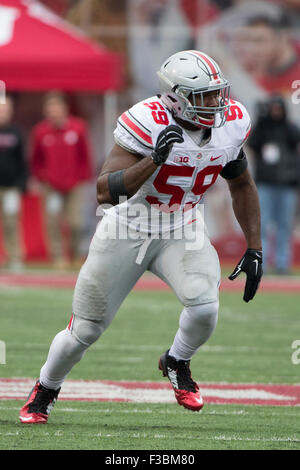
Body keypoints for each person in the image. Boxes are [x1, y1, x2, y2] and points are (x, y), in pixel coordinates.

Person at [19, 50, 263, 423]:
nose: (215, 103)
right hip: (128, 225)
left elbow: (241, 184)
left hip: (182, 225)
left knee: (205, 307)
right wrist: (154, 159)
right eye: (204, 96)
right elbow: (105, 191)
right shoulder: (147, 120)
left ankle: (176, 360)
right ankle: (46, 388)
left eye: (218, 93)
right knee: (85, 329)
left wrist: (255, 246)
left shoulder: (231, 121)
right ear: (175, 97)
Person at [30, 91, 93, 268]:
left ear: (64, 108)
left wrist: (83, 179)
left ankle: (75, 255)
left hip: (74, 184)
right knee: (52, 220)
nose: (53, 111)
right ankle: (58, 256)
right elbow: (36, 159)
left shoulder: (78, 127)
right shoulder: (41, 131)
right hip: (51, 186)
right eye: (50, 107)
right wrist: (41, 178)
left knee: (76, 221)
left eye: (56, 107)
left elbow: (85, 156)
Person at [248, 95, 300, 274]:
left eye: (279, 109)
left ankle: (282, 263)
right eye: (273, 109)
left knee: (285, 225)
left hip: (287, 184)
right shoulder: (263, 129)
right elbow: (252, 143)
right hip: (265, 183)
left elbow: (295, 140)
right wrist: (261, 120)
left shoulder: (289, 128)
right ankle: (261, 262)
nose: (276, 112)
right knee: (261, 223)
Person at [0, 95, 27, 270]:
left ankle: (15, 257)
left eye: (6, 109)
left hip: (11, 187)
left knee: (11, 223)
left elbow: (23, 161)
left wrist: (21, 184)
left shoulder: (17, 133)